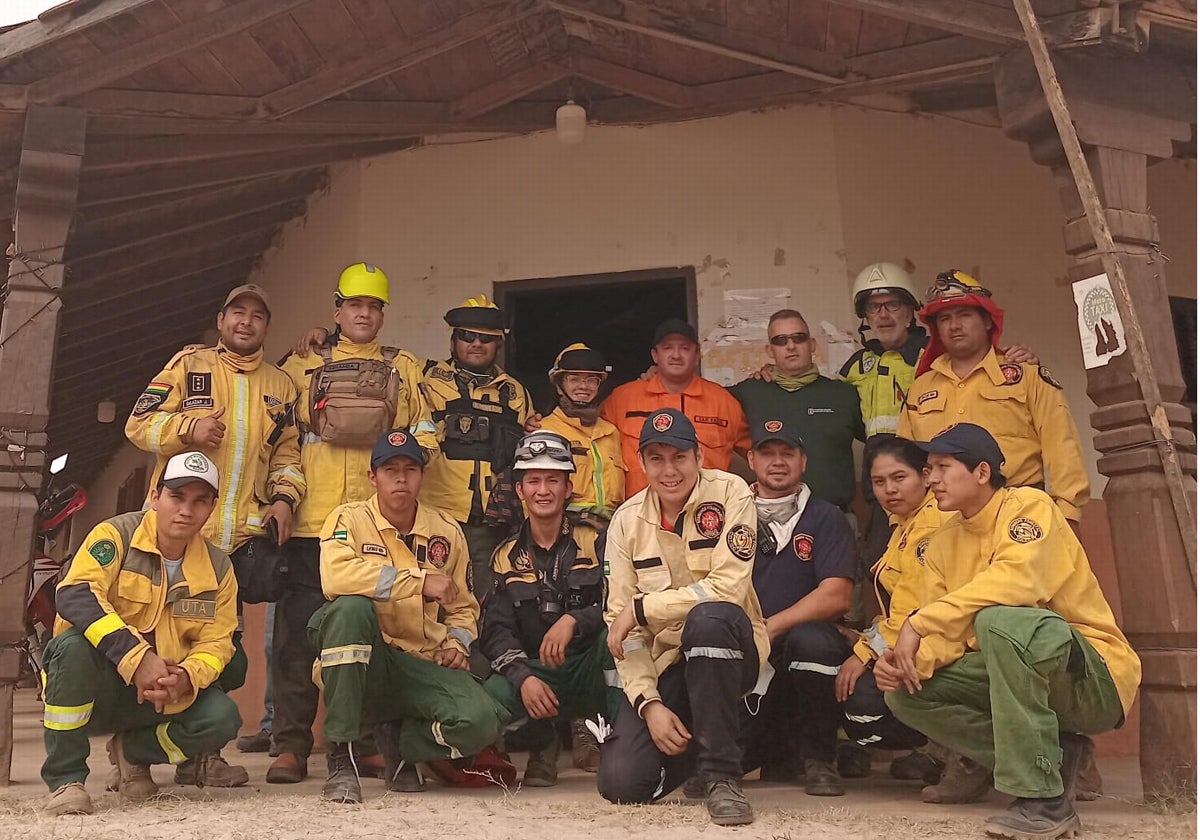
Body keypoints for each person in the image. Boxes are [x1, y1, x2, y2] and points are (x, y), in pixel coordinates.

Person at [878, 424, 1140, 839]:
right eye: (928, 469)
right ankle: (1053, 758)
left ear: (982, 472)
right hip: (1014, 669)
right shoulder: (944, 539)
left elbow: (1018, 583)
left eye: (943, 467)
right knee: (907, 695)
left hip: (1093, 676)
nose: (931, 480)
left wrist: (919, 623)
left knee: (1000, 620)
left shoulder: (1028, 505)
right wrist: (905, 661)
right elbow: (942, 636)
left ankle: (1045, 804)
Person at [126, 283, 305, 786]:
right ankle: (135, 756)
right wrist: (188, 428)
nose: (246, 322)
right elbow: (137, 425)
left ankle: (202, 756)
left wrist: (285, 498)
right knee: (160, 641)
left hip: (236, 545)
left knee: (221, 650)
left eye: (257, 316)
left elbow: (288, 454)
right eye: (237, 313)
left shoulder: (281, 384)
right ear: (222, 319)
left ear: (266, 327)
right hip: (174, 537)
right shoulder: (188, 366)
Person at [266, 263, 437, 785]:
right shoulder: (302, 364)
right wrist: (284, 497)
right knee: (296, 640)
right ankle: (291, 746)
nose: (364, 314)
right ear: (337, 310)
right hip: (309, 526)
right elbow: (285, 443)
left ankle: (364, 743)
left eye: (374, 306)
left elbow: (425, 435)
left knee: (368, 635)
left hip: (374, 528)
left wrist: (400, 495)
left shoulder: (403, 367)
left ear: (383, 315)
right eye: (354, 305)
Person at [311, 429, 512, 804]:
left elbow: (464, 606)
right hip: (367, 663)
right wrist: (418, 582)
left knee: (481, 721)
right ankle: (342, 756)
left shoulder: (446, 531)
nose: (400, 478)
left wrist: (457, 643)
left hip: (423, 662)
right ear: (373, 477)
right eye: (390, 469)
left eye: (410, 469)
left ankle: (403, 746)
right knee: (349, 609)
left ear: (422, 475)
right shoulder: (348, 519)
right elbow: (335, 577)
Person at [41, 452, 241, 816]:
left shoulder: (218, 567)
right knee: (70, 647)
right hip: (96, 688)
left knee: (223, 718)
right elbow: (75, 594)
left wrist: (185, 678)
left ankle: (133, 752)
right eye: (176, 497)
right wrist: (136, 658)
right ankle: (66, 780)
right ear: (155, 496)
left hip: (160, 695)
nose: (186, 511)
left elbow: (218, 640)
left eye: (199, 501)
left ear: (211, 508)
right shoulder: (115, 535)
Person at [598, 408, 769, 827]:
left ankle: (721, 776)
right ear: (641, 463)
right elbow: (622, 631)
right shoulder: (625, 521)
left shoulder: (731, 493)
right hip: (666, 662)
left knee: (708, 619)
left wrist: (643, 608)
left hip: (729, 648)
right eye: (656, 458)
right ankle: (730, 737)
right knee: (622, 785)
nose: (668, 469)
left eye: (679, 456)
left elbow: (727, 588)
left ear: (698, 457)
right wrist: (649, 703)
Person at [478, 430, 617, 787]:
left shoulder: (596, 540)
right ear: (520, 490)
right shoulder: (504, 556)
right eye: (534, 480)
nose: (543, 490)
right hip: (538, 671)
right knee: (494, 692)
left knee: (621, 641)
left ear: (568, 488)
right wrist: (523, 677)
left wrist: (575, 619)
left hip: (587, 666)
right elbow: (494, 632)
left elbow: (618, 602)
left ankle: (617, 740)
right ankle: (542, 745)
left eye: (553, 480)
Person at [896, 270, 1089, 525]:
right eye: (944, 318)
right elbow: (903, 460)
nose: (954, 326)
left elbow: (1062, 446)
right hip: (940, 520)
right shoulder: (921, 388)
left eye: (964, 315)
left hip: (1019, 512)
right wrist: (901, 520)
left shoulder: (1025, 375)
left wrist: (1067, 513)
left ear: (987, 321)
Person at [739, 417, 857, 796]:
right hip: (745, 648)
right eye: (767, 453)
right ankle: (752, 755)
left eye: (787, 453)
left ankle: (820, 760)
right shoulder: (729, 513)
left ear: (803, 461)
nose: (777, 462)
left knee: (814, 642)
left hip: (799, 647)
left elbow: (837, 594)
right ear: (751, 460)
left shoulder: (826, 516)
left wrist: (772, 627)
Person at [834, 436, 953, 795]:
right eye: (879, 482)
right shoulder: (904, 523)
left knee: (859, 704)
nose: (889, 489)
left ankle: (954, 749)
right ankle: (934, 749)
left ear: (925, 475)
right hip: (908, 644)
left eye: (899, 478)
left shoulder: (933, 525)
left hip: (938, 650)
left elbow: (916, 609)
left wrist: (864, 653)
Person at [419, 296, 533, 599]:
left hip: (491, 523)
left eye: (487, 338)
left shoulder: (516, 392)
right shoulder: (423, 378)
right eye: (467, 336)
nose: (476, 343)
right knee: (429, 603)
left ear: (499, 344)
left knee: (483, 602)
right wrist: (324, 336)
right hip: (436, 518)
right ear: (453, 340)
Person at [729, 310, 863, 511]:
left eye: (798, 338)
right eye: (780, 340)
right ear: (770, 350)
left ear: (812, 344)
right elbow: (703, 402)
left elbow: (883, 443)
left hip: (836, 519)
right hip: (769, 521)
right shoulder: (749, 392)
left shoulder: (844, 394)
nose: (790, 346)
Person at [601, 318, 749, 497]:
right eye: (668, 348)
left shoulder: (723, 402)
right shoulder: (623, 399)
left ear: (697, 355)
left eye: (685, 348)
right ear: (655, 355)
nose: (676, 355)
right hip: (640, 516)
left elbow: (762, 455)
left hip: (707, 515)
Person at [537, 343, 626, 520]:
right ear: (559, 387)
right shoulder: (545, 430)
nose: (584, 386)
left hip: (610, 532)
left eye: (592, 379)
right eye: (574, 379)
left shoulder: (611, 432)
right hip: (566, 532)